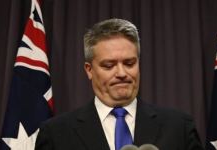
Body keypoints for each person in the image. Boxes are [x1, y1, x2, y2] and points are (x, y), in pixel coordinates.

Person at [35, 18, 204, 150]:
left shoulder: (179, 127)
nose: (122, 73)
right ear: (89, 70)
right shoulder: (57, 134)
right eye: (109, 66)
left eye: (130, 63)